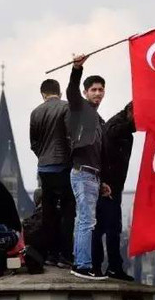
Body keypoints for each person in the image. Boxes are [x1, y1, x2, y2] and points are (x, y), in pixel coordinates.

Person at [66, 54, 110, 280]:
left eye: (101, 89)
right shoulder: (80, 108)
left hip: (92, 176)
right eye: (93, 89)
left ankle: (81, 261)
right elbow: (71, 93)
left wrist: (102, 182)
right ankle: (82, 265)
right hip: (82, 172)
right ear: (86, 93)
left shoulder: (97, 119)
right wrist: (76, 69)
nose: (98, 93)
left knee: (84, 220)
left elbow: (98, 154)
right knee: (86, 220)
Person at [29, 78, 74, 268]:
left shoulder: (36, 112)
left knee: (48, 213)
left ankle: (50, 255)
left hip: (44, 168)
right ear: (60, 92)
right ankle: (65, 255)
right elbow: (70, 136)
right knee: (67, 211)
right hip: (63, 167)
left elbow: (34, 143)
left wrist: (43, 157)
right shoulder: (66, 107)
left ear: (43, 94)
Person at [92, 101, 135, 281]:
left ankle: (99, 266)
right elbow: (104, 156)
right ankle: (111, 267)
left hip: (111, 187)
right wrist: (104, 183)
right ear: (131, 112)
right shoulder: (116, 128)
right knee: (111, 228)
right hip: (108, 189)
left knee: (102, 228)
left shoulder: (120, 127)